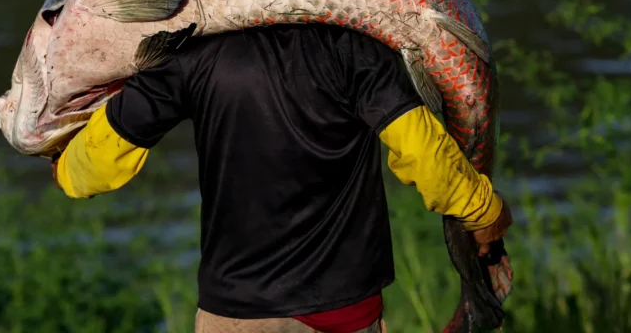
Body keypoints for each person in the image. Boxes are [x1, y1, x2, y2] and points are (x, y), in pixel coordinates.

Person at [51, 24, 512, 333]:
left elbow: (88, 171)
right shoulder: (356, 48)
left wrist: (63, 164)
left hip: (235, 316)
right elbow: (424, 155)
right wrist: (484, 211)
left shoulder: (189, 53)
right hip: (344, 311)